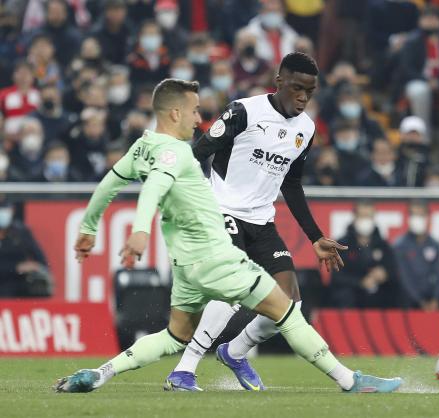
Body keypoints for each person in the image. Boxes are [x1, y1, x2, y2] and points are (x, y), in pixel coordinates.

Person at [54, 78, 400, 394]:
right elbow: (156, 186)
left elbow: (110, 184)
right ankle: (349, 380)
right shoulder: (182, 153)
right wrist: (140, 231)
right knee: (286, 311)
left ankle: (103, 373)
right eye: (193, 110)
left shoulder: (143, 146)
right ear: (175, 112)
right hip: (217, 247)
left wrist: (88, 228)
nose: (199, 118)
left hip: (192, 257)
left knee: (177, 334)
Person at [166, 53, 352, 392]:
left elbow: (291, 183)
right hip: (222, 210)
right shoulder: (244, 111)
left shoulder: (306, 129)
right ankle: (184, 370)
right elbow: (199, 151)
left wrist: (315, 236)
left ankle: (235, 352)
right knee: (232, 290)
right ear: (278, 82)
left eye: (309, 92)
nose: (302, 98)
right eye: (296, 88)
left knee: (290, 302)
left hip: (262, 222)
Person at [330, 200, 399, 308]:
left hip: (378, 292)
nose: (365, 220)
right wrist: (360, 282)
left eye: (369, 217)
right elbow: (336, 276)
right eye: (362, 216)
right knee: (344, 294)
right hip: (353, 293)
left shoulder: (383, 245)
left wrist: (385, 274)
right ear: (354, 217)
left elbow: (394, 270)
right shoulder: (341, 245)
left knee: (395, 291)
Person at [393, 200, 439, 310]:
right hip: (408, 302)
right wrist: (420, 301)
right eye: (413, 215)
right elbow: (404, 277)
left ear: (427, 217)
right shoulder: (399, 246)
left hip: (432, 302)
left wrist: (436, 298)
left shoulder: (436, 245)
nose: (416, 219)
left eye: (420, 215)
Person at [0, 199, 51, 298]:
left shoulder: (20, 233)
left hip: (19, 286)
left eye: (5, 209)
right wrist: (16, 267)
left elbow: (41, 260)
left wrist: (37, 268)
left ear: (12, 210)